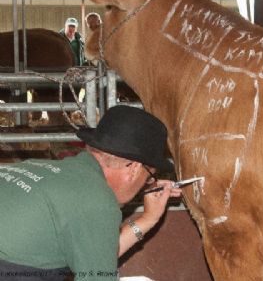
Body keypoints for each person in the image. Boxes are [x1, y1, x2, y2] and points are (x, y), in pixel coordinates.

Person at [0, 105, 182, 280]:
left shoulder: (43, 169)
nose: (147, 183)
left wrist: (148, 218)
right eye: (149, 175)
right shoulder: (97, 200)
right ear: (134, 168)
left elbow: (96, 258)